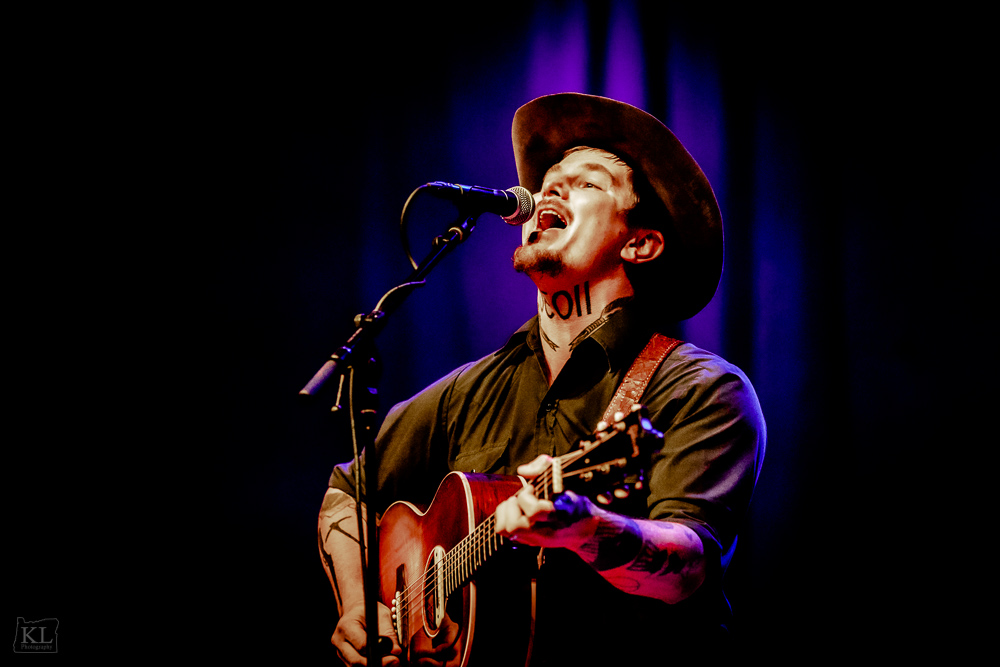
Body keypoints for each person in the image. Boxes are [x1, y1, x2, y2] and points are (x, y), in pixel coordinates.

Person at [318, 93, 766, 666]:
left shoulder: (698, 389)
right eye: (547, 181)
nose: (547, 190)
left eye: (586, 183)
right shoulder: (468, 390)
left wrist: (586, 530)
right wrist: (363, 609)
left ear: (640, 242)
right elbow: (344, 494)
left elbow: (689, 567)